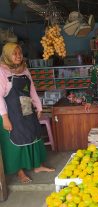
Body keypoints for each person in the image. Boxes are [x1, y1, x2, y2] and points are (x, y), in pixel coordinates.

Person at [0, 42, 54, 184]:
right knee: (17, 141)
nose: (18, 56)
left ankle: (38, 166)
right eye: (14, 53)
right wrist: (5, 118)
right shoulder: (2, 71)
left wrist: (39, 106)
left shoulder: (24, 69)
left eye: (20, 52)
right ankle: (20, 172)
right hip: (11, 112)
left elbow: (32, 90)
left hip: (27, 108)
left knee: (33, 135)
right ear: (7, 55)